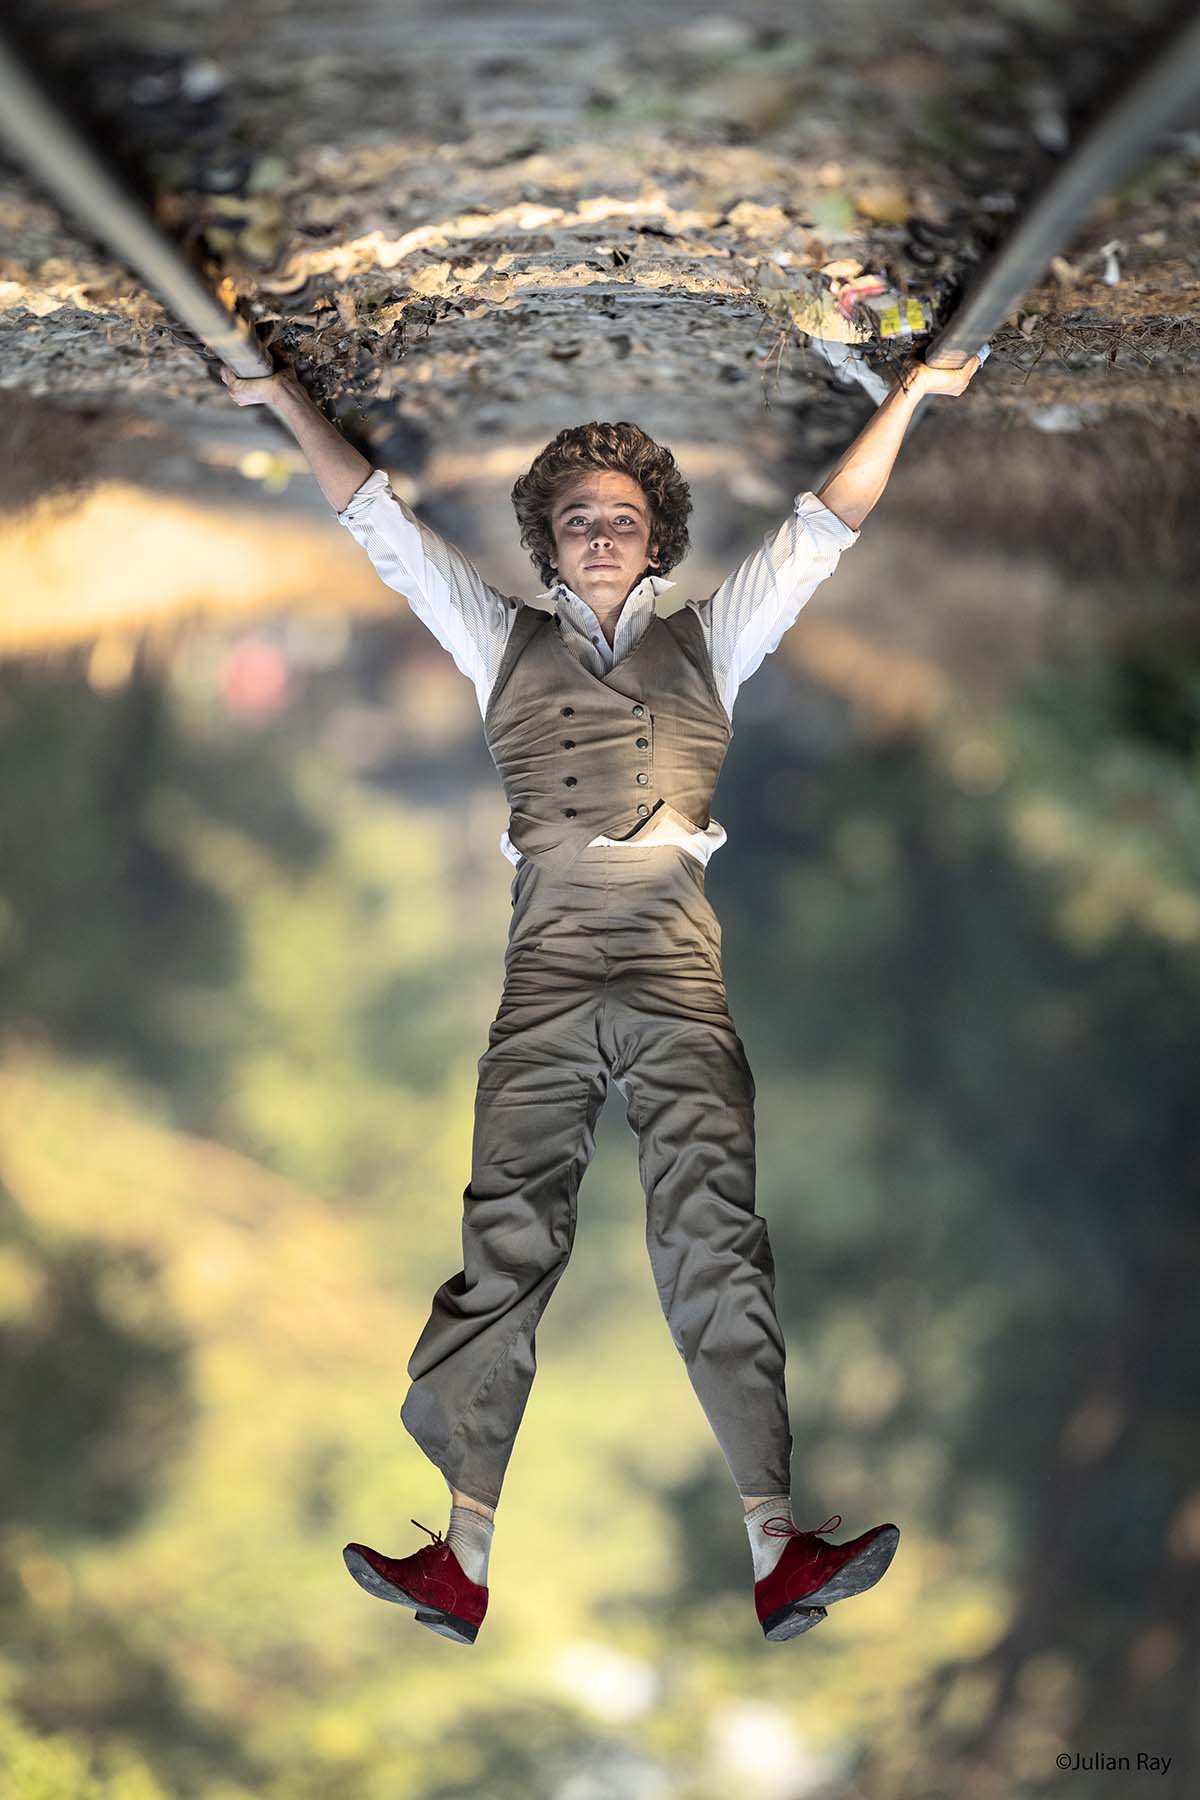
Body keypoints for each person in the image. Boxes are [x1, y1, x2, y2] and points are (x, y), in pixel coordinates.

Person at [221, 345, 983, 1645]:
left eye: (622, 517)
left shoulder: (711, 643)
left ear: (656, 538)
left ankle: (777, 1547)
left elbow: (822, 531)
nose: (599, 534)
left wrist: (910, 395)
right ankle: (461, 1553)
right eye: (577, 518)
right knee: (507, 1236)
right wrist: (284, 399)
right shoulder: (499, 640)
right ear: (550, 542)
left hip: (677, 969)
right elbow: (381, 528)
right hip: (551, 972)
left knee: (712, 1237)